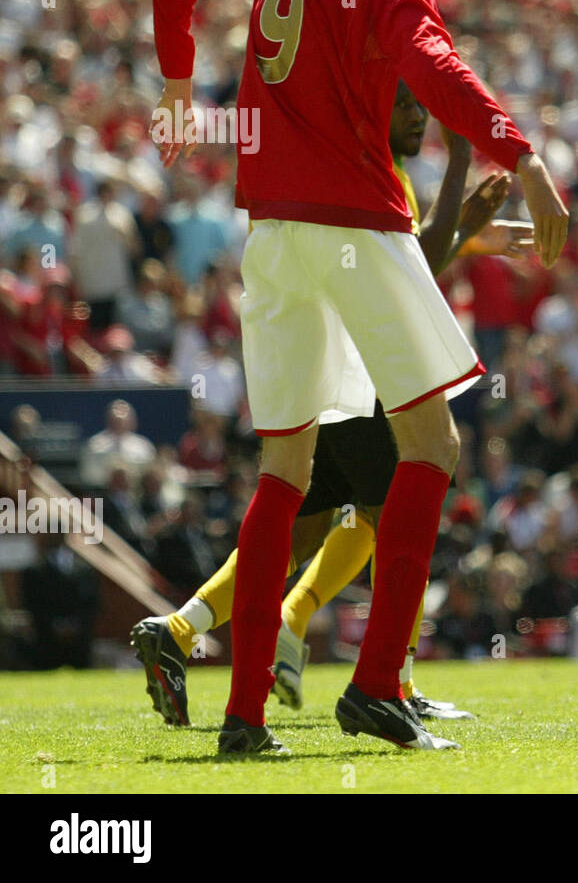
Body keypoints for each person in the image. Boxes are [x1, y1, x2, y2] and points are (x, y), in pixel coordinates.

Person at [147, 0, 567, 754]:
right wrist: (522, 154)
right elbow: (434, 66)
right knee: (432, 444)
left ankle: (245, 719)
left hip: (272, 234)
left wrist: (179, 92)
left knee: (284, 472)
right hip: (353, 221)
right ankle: (378, 685)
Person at [131, 81, 534, 733]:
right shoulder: (376, 172)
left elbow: (404, 256)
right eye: (405, 106)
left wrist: (469, 234)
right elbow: (413, 263)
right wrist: (461, 175)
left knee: (305, 526)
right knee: (390, 509)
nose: (416, 119)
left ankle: (181, 629)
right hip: (364, 372)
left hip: (325, 364)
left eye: (420, 109)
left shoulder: (356, 167)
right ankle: (390, 681)